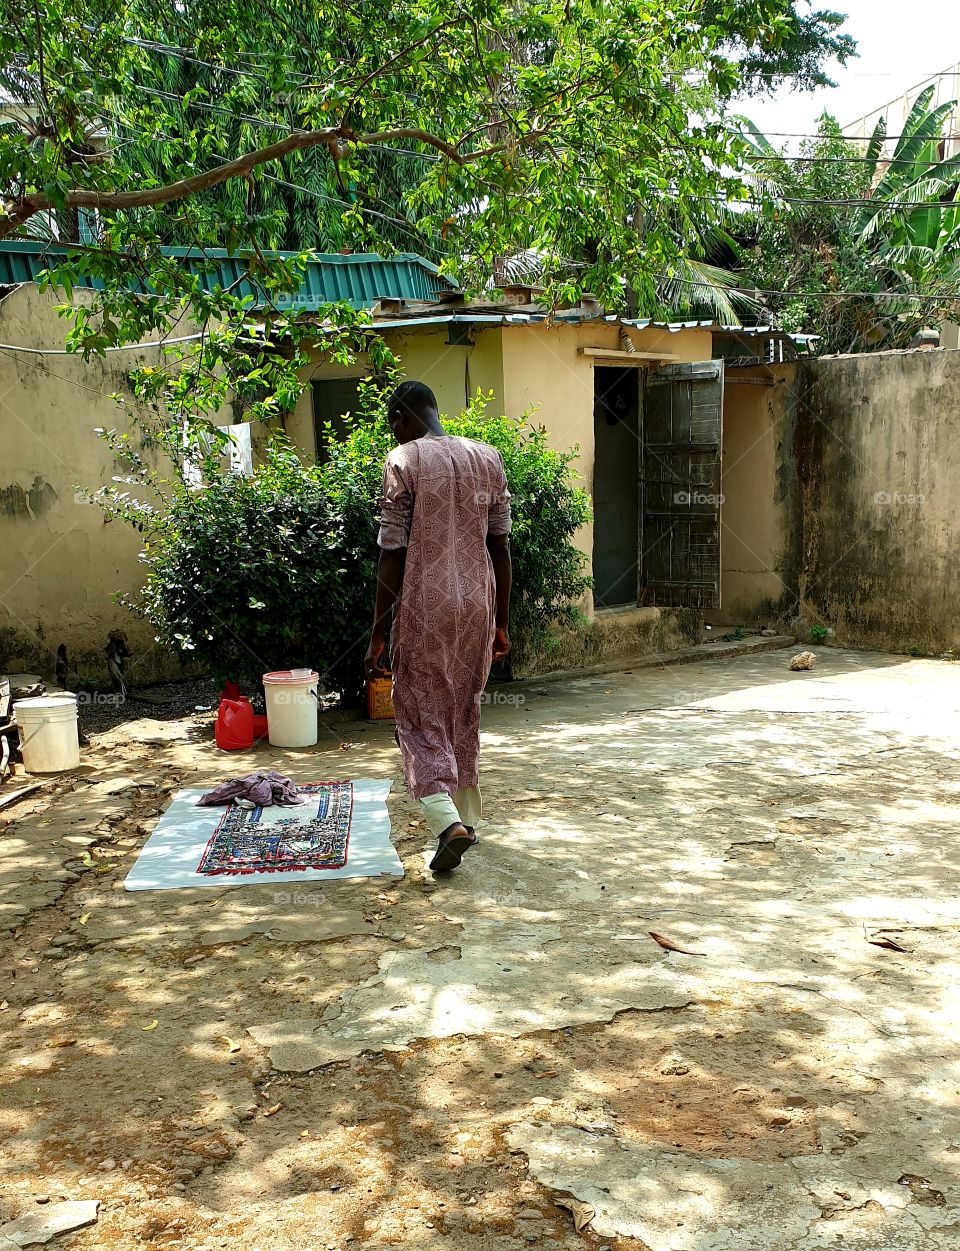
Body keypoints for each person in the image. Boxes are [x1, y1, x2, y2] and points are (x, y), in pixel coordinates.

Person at [365, 381, 512, 871]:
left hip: (425, 608)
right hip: (478, 604)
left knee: (417, 712)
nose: (395, 431)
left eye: (393, 421)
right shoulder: (487, 458)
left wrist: (379, 632)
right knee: (462, 707)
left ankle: (446, 822)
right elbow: (501, 547)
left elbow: (392, 552)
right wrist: (502, 622)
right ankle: (467, 818)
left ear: (404, 416)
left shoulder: (404, 461)